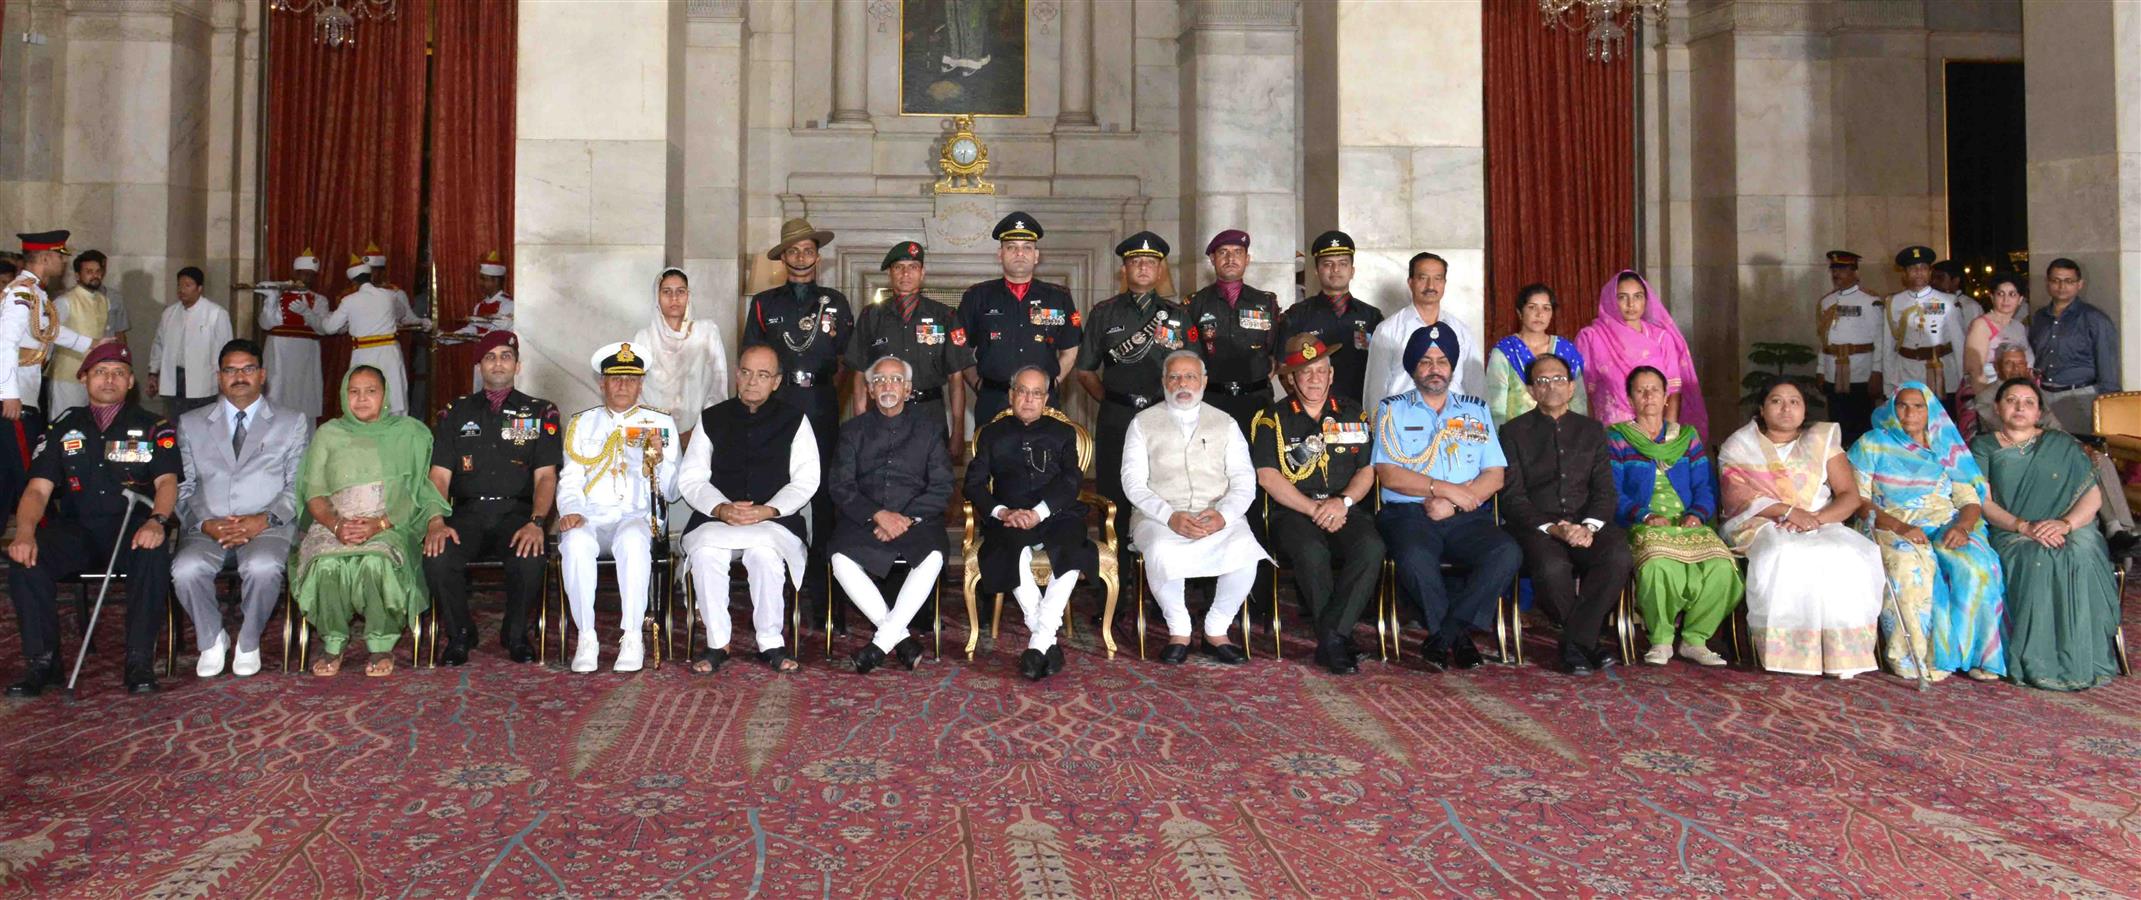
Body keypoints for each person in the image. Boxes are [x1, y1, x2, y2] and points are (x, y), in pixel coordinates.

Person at [5, 342, 179, 696]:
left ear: (130, 381)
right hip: (77, 530)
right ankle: (43, 663)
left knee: (152, 554)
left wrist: (157, 521)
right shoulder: (62, 428)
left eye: (118, 372)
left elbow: (167, 483)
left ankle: (139, 661)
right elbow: (37, 491)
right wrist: (23, 533)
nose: (109, 379)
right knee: (26, 558)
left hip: (132, 528)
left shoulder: (153, 427)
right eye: (100, 372)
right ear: (83, 378)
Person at [1372, 326, 1523, 671]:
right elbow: (1389, 473)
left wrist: (1454, 503)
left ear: (1452, 367)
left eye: (1442, 361)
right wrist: (1443, 490)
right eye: (1425, 361)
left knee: (1506, 552)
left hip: (1464, 515)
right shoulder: (1392, 411)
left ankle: (1445, 635)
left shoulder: (1476, 411)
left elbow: (1494, 475)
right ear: (1412, 369)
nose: (1435, 368)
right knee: (1414, 556)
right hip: (1408, 513)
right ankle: (1459, 640)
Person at [289, 365, 449, 678]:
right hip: (333, 521)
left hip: (390, 522)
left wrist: (380, 524)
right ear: (343, 395)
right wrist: (337, 525)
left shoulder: (409, 433)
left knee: (377, 562)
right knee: (325, 564)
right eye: (354, 391)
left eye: (371, 391)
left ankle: (380, 643)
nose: (362, 398)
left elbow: (418, 490)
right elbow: (315, 493)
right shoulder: (329, 434)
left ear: (385, 395)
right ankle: (332, 641)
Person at [1718, 378, 1884, 678]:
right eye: (1777, 401)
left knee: (1849, 553)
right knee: (1785, 552)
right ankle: (1792, 656)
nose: (1786, 408)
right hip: (1762, 522)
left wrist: (1816, 520)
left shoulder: (1822, 441)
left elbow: (1849, 496)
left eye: (1794, 401)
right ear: (1762, 408)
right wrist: (1789, 512)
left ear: (1804, 409)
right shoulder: (1740, 445)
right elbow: (1738, 496)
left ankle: (1842, 657)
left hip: (1819, 519)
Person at [1847, 382, 2006, 683]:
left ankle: (1976, 655)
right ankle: (1915, 657)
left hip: (1946, 523)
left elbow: (1969, 500)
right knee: (1909, 567)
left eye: (1919, 406)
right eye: (1903, 405)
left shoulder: (1945, 446)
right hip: (1889, 525)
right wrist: (1900, 527)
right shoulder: (1872, 444)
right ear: (1892, 409)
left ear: (1931, 411)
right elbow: (1859, 499)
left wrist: (1962, 527)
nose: (1910, 412)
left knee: (1979, 566)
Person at [1972, 377, 2122, 691]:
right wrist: (2024, 526)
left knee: (2077, 554)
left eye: (2028, 402)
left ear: (2039, 411)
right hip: (2012, 530)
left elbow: (2092, 497)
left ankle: (2081, 661)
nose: (2019, 408)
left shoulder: (2061, 444)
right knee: (2036, 558)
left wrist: (2065, 524)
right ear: (1997, 408)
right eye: (2012, 400)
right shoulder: (1982, 446)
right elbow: (1983, 503)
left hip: (2069, 527)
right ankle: (2035, 663)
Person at [172, 339, 311, 678]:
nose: (239, 377)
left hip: (269, 525)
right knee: (185, 569)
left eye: (247, 369)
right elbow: (183, 486)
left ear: (262, 375)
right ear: (219, 377)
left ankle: (249, 641)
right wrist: (205, 523)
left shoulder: (291, 422)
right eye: (230, 370)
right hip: (209, 527)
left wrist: (263, 519)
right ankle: (211, 639)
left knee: (264, 567)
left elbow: (298, 485)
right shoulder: (191, 423)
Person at [421, 330, 561, 666]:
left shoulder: (541, 412)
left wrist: (537, 522)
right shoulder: (455, 412)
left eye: (505, 356)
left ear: (517, 365)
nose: (498, 363)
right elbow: (439, 476)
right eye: (490, 357)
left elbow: (545, 477)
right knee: (437, 557)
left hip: (517, 514)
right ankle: (460, 634)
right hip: (467, 514)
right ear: (479, 365)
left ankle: (515, 634)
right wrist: (436, 521)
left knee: (531, 557)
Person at [678, 345, 819, 675]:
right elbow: (692, 477)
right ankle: (717, 643)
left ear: (776, 381)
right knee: (706, 554)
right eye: (745, 372)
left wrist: (769, 510)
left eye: (763, 374)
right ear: (736, 375)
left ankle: (770, 642)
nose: (752, 381)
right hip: (719, 519)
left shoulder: (794, 421)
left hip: (772, 521)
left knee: (763, 555)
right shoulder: (712, 418)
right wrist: (720, 508)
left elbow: (806, 479)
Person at [1121, 351, 1269, 665]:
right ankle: (1180, 630)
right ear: (1163, 383)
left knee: (1246, 551)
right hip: (1159, 515)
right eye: (1174, 377)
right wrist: (1168, 516)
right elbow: (1133, 483)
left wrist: (1224, 515)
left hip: (1215, 511)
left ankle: (1216, 630)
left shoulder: (1225, 422)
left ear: (1203, 381)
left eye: (1190, 376)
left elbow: (1244, 479)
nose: (1182, 384)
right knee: (1160, 550)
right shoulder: (1142, 423)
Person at [1250, 334, 1382, 674]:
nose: (1314, 379)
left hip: (1344, 507)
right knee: (1311, 551)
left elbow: (1367, 470)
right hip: (1294, 511)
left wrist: (1343, 502)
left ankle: (1332, 636)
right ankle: (1338, 639)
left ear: (1331, 375)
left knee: (1371, 547)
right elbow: (1267, 476)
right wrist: (1314, 510)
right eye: (1305, 373)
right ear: (1291, 378)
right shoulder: (1272, 419)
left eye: (1320, 371)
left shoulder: (1353, 413)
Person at [743, 218, 852, 617]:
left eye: (808, 250)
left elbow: (847, 363)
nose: (801, 257)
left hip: (822, 404)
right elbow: (751, 365)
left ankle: (824, 593)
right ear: (783, 257)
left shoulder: (836, 302)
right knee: (778, 489)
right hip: (778, 407)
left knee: (823, 496)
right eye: (793, 251)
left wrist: (828, 396)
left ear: (817, 256)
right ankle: (780, 583)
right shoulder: (764, 303)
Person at [1497, 353, 1631, 675]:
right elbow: (1512, 496)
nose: (1551, 386)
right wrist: (1553, 528)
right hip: (1537, 527)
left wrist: (1587, 527)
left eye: (1558, 379)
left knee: (1618, 557)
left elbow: (1605, 492)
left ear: (1572, 387)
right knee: (1551, 567)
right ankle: (1586, 643)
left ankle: (1574, 642)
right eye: (1542, 381)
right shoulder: (1513, 432)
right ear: (1531, 390)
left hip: (1588, 526)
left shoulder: (1593, 431)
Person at [966, 365, 1096, 681]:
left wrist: (1039, 511)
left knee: (1072, 550)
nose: (1028, 398)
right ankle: (1046, 643)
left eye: (1036, 393)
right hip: (1008, 517)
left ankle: (1038, 640)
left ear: (1046, 398)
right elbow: (973, 484)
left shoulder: (1062, 433)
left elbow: (1070, 481)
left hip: (1055, 514)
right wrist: (1002, 512)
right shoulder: (991, 434)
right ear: (1011, 395)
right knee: (1011, 550)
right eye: (1022, 391)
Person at [1606, 366, 1742, 667]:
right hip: (1642, 522)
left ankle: (1695, 639)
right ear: (1630, 397)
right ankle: (1661, 639)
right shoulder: (1617, 438)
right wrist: (1645, 514)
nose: (1648, 396)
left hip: (1688, 522)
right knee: (1658, 564)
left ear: (1666, 396)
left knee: (1723, 567)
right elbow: (1612, 492)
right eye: (1640, 390)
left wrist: (1697, 515)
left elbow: (1704, 487)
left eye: (1654, 389)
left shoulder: (1687, 437)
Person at [556, 342, 678, 674]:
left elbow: (671, 490)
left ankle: (632, 635)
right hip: (592, 513)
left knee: (635, 541)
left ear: (641, 384)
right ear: (601, 383)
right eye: (615, 378)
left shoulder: (660, 424)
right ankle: (586, 636)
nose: (622, 385)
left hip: (636, 514)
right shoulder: (582, 424)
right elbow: (570, 478)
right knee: (575, 542)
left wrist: (660, 460)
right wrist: (570, 509)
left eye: (630, 378)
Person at [828, 356, 953, 673]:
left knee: (934, 557)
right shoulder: (852, 431)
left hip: (917, 520)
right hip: (864, 520)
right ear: (869, 389)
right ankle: (901, 641)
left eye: (896, 380)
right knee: (840, 558)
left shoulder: (929, 430)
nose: (888, 386)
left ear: (908, 389)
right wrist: (877, 515)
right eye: (880, 380)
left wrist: (905, 519)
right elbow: (841, 486)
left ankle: (880, 644)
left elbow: (941, 487)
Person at [1079, 231, 1191, 542]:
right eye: (1135, 262)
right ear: (1124, 270)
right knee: (1113, 493)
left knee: (1164, 489)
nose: (1142, 267)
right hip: (1117, 416)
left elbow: (1193, 371)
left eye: (1150, 262)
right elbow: (1085, 371)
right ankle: (1116, 575)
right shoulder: (1104, 313)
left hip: (1165, 415)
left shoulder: (1179, 315)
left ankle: (1158, 567)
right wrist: (1113, 401)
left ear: (1159, 270)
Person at [1975, 342, 2139, 554]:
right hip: (2019, 455)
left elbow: (2056, 427)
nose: (2016, 369)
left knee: (2098, 459)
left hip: (2051, 447)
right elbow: (2012, 428)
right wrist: (2048, 441)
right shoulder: (1987, 397)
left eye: (2020, 364)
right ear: (1997, 367)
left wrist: (2077, 446)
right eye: (2009, 364)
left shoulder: (2036, 393)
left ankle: (2116, 528)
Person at [1, 231, 100, 525]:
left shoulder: (36, 293)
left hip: (26, 392)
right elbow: (6, 342)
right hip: (16, 397)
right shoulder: (21, 294)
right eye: (60, 257)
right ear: (46, 257)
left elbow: (48, 330)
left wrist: (91, 344)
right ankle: (47, 539)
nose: (63, 263)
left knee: (7, 476)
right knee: (29, 472)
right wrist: (8, 393)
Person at [848, 242, 971, 460]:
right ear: (890, 273)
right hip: (883, 414)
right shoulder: (871, 316)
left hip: (930, 413)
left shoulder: (945, 316)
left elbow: (956, 377)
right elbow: (859, 375)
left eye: (913, 267)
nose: (906, 273)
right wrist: (860, 424)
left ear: (922, 273)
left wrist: (958, 430)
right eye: (899, 267)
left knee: (933, 481)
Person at [957, 212, 1082, 425]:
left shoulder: (1059, 297)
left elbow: (1070, 350)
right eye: (1011, 247)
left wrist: (1051, 384)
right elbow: (959, 348)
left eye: (1027, 247)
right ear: (1000, 254)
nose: (1019, 253)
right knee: (991, 457)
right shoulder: (977, 296)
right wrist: (977, 384)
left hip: (1043, 402)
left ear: (1036, 255)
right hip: (993, 400)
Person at [1576, 269, 1710, 441]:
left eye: (1638, 296)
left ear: (1646, 300)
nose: (1631, 304)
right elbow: (1583, 393)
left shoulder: (1662, 338)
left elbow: (1673, 390)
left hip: (1655, 431)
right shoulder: (1591, 337)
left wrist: (1667, 437)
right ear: (1610, 300)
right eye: (1622, 297)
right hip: (1611, 434)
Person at [1185, 229, 1281, 434]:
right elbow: (1187, 354)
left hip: (1257, 402)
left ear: (1247, 259)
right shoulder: (1195, 303)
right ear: (1212, 259)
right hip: (1210, 402)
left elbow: (1274, 353)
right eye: (1223, 252)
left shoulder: (1266, 302)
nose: (1230, 258)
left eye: (1237, 252)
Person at [1277, 231, 1382, 405]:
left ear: (1352, 270)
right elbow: (1283, 368)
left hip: (1360, 412)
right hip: (1313, 413)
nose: (1335, 270)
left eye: (1343, 263)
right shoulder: (1297, 315)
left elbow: (1381, 369)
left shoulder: (1371, 317)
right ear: (1317, 271)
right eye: (1328, 264)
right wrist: (1307, 404)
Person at [1365, 252, 1480, 405]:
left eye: (1437, 278)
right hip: (1403, 422)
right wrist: (1378, 426)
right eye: (1423, 278)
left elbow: (1476, 387)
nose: (1430, 286)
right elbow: (1375, 389)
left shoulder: (1461, 331)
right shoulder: (1388, 330)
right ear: (1410, 282)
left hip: (1453, 423)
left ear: (1444, 283)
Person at [632, 267, 731, 444]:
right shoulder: (643, 338)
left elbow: (718, 388)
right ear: (657, 297)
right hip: (654, 436)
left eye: (681, 291)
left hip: (700, 433)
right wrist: (661, 435)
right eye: (666, 292)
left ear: (689, 296)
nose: (674, 298)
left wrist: (696, 432)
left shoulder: (706, 333)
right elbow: (636, 393)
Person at [320, 255, 427, 416]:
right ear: (370, 277)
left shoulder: (349, 300)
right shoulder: (389, 295)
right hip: (389, 352)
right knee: (394, 399)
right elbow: (402, 313)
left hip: (363, 354)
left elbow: (329, 328)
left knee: (365, 400)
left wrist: (325, 316)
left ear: (353, 282)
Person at [2029, 258, 2119, 436]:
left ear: (2080, 284)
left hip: (2080, 396)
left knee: (2081, 451)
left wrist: (2109, 408)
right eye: (2056, 280)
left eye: (2069, 281)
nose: (2062, 286)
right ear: (2048, 283)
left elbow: (2108, 368)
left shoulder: (2094, 319)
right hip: (2044, 396)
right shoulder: (2040, 317)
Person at [1482, 283, 1587, 425]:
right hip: (1517, 437)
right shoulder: (1504, 351)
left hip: (1562, 435)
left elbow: (1579, 401)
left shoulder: (1566, 350)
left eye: (1546, 308)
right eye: (1532, 307)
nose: (1539, 314)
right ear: (1519, 312)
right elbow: (1495, 406)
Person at [1881, 245, 1967, 409]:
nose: (1918, 272)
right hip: (1907, 373)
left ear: (1929, 272)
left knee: (1940, 425)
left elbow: (1959, 343)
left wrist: (1963, 382)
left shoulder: (1947, 301)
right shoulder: (1893, 302)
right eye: (1913, 268)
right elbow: (1888, 346)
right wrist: (1888, 385)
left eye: (1923, 268)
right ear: (1904, 274)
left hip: (1941, 373)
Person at [1815, 250, 1884, 444]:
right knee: (1837, 425)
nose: (1837, 274)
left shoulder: (1870, 301)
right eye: (1834, 269)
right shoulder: (1826, 302)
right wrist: (1821, 369)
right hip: (1832, 373)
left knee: (1861, 427)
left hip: (1860, 374)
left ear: (1855, 272)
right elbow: (1824, 340)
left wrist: (1877, 372)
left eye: (1843, 269)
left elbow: (1879, 339)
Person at [147, 267, 235, 416]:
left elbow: (226, 349)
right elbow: (159, 344)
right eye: (179, 285)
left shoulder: (216, 313)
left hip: (204, 380)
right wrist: (153, 372)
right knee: (174, 421)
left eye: (187, 285)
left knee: (201, 423)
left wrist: (226, 378)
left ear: (199, 288)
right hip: (174, 378)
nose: (182, 290)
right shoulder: (169, 313)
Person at [257, 249, 327, 420]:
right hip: (278, 350)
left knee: (304, 394)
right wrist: (271, 299)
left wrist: (307, 313)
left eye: (311, 275)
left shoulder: (319, 300)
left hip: (306, 352)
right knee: (276, 390)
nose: (307, 278)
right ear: (295, 274)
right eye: (303, 274)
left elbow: (322, 329)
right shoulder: (279, 296)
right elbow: (265, 323)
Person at [1959, 272, 2030, 437]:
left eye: (2012, 294)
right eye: (2000, 294)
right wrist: (1990, 404)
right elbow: (1975, 371)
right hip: (1985, 395)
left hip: (2014, 395)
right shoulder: (1981, 325)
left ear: (2020, 299)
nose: (2006, 300)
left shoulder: (2018, 327)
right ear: (1992, 297)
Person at [48, 249, 115, 417]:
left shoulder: (103, 300)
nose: (95, 276)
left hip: (95, 374)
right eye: (89, 272)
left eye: (98, 272)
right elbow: (50, 333)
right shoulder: (65, 301)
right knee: (64, 421)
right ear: (78, 276)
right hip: (67, 375)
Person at [437, 251, 515, 392]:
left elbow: (497, 329)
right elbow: (472, 330)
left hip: (499, 362)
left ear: (496, 281)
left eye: (485, 279)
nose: (481, 283)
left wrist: (474, 319)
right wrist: (448, 337)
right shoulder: (479, 306)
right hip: (481, 360)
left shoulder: (508, 304)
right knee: (480, 400)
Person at [1930, 259, 1983, 326]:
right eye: (1932, 278)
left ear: (1955, 280)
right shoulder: (1932, 304)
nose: (1933, 282)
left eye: (1940, 278)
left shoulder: (1969, 306)